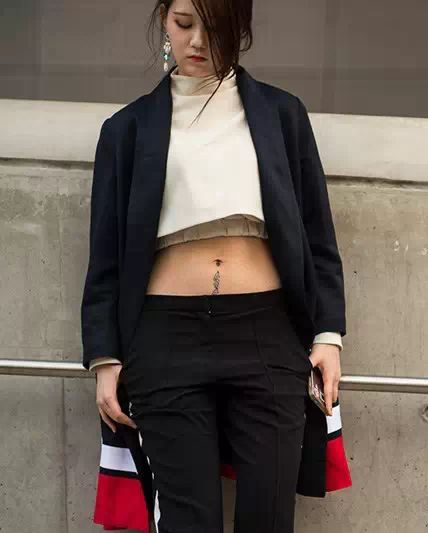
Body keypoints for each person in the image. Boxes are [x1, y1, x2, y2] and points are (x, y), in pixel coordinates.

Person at [82, 0, 347, 531]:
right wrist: (104, 356)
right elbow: (106, 255)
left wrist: (328, 334)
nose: (198, 41)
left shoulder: (282, 115)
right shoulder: (126, 129)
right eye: (184, 24)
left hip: (266, 332)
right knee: (188, 521)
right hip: (165, 338)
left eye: (215, 27)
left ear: (241, 29)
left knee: (269, 517)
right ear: (165, 21)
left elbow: (317, 233)